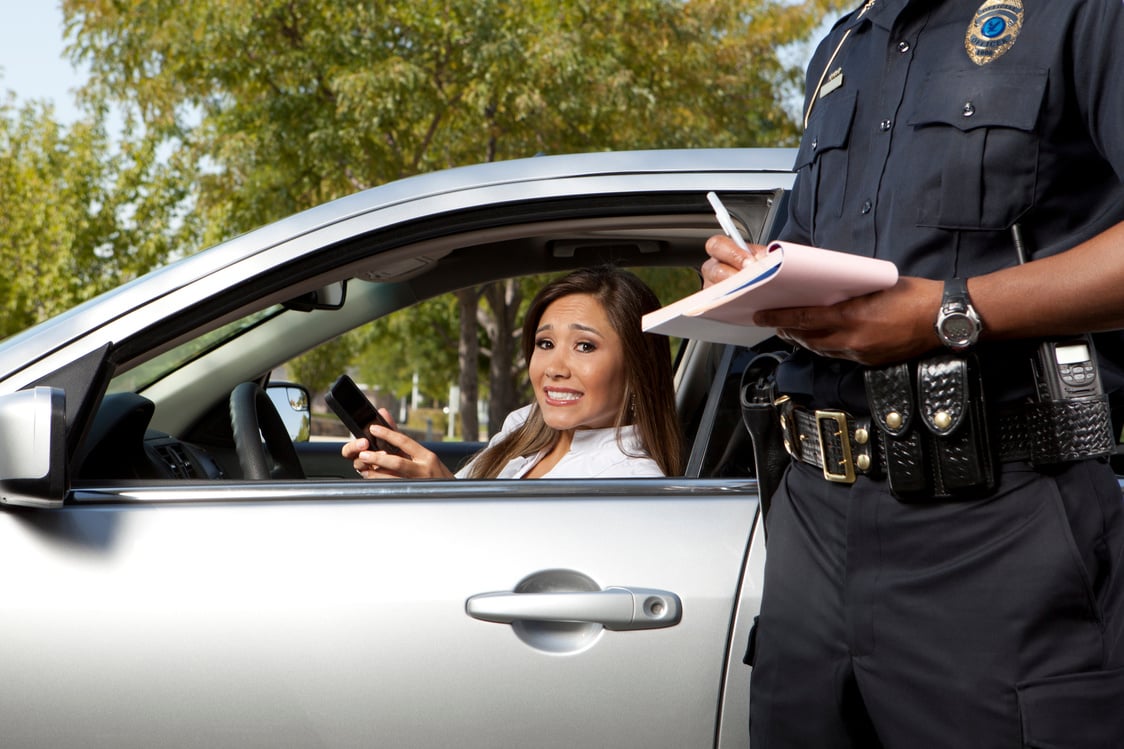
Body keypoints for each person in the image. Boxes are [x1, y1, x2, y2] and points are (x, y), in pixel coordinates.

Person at [702, 2, 1124, 746]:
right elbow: (810, 251)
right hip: (813, 527)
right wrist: (748, 276)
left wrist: (952, 311)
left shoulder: (1082, 13)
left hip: (1001, 523)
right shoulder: (844, 44)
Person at [343, 265, 684, 479]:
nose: (554, 368)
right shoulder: (522, 428)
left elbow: (531, 582)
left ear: (636, 367)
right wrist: (405, 472)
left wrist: (442, 495)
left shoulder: (632, 483)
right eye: (545, 343)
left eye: (584, 346)